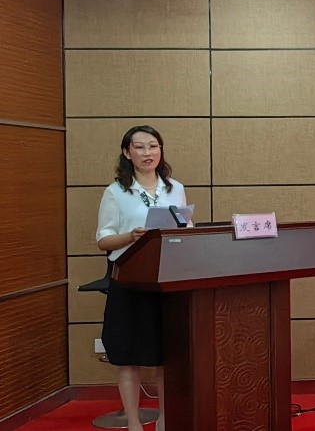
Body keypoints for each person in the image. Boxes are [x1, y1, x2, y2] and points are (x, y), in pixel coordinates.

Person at [95, 125, 189, 431]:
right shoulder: (116, 192)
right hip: (130, 282)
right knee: (128, 356)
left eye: (153, 146)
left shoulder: (175, 188)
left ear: (161, 150)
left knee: (167, 356)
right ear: (127, 153)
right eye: (139, 147)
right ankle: (134, 423)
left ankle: (164, 421)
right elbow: (103, 240)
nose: (147, 153)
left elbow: (184, 228)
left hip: (167, 281)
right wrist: (130, 237)